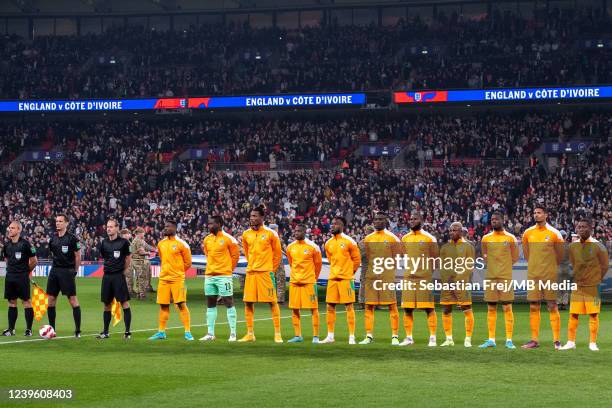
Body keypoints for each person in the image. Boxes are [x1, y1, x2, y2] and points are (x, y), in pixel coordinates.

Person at [560, 218, 609, 351]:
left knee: (593, 314)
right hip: (577, 286)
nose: (581, 229)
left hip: (592, 287)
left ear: (590, 229)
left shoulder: (598, 246)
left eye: (584, 227)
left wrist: (596, 279)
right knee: (573, 314)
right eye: (579, 227)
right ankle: (571, 342)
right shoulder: (572, 246)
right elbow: (571, 263)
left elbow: (604, 266)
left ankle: (592, 343)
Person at [521, 205, 565, 349]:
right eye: (534, 212)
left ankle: (557, 340)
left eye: (539, 212)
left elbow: (560, 255)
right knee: (534, 306)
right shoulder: (527, 233)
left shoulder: (555, 233)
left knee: (552, 305)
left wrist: (550, 268)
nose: (536, 215)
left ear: (546, 215)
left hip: (550, 275)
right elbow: (527, 254)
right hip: (533, 275)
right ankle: (534, 340)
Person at [238, 206, 283, 343]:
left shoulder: (271, 234)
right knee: (248, 302)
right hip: (251, 273)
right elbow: (246, 252)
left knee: (272, 302)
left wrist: (271, 270)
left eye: (255, 216)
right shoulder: (246, 234)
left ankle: (277, 333)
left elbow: (277, 254)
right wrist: (252, 264)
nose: (252, 218)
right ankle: (250, 333)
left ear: (262, 218)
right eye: (251, 216)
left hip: (265, 273)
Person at [479, 211, 519, 349]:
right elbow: (484, 255)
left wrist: (503, 267)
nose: (493, 221)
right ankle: (491, 339)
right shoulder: (486, 238)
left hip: (505, 277)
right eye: (492, 219)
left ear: (503, 220)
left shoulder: (510, 238)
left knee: (507, 307)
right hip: (490, 277)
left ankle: (509, 340)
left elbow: (515, 257)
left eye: (496, 219)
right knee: (491, 308)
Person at [148, 220, 194, 341]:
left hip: (177, 279)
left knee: (181, 304)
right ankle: (161, 332)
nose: (165, 228)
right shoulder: (161, 244)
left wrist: (178, 272)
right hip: (163, 279)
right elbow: (163, 259)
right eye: (165, 226)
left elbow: (188, 263)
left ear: (174, 228)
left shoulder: (182, 244)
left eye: (168, 226)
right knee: (163, 305)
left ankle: (188, 332)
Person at [360, 212, 400, 345]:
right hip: (371, 277)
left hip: (386, 278)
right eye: (375, 219)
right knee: (369, 306)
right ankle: (369, 335)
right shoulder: (368, 239)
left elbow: (397, 257)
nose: (377, 222)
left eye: (380, 219)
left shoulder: (392, 238)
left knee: (391, 306)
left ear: (385, 221)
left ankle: (395, 336)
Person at [320, 216, 361, 344]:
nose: (332, 226)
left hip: (346, 279)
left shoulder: (350, 241)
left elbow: (357, 260)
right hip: (333, 279)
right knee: (330, 306)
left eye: (335, 224)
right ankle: (330, 336)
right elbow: (331, 260)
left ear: (342, 226)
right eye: (332, 224)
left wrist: (349, 272)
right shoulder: (328, 243)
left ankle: (352, 337)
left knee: (349, 307)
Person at [400, 211, 438, 347]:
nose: (412, 221)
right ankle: (409, 338)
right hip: (409, 279)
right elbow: (405, 255)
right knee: (407, 309)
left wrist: (426, 273)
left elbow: (435, 259)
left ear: (421, 221)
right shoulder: (405, 238)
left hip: (424, 279)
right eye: (410, 218)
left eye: (415, 219)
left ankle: (432, 338)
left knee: (428, 308)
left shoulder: (429, 238)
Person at [200, 215, 239, 342]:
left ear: (219, 224)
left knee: (228, 302)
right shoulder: (207, 239)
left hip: (224, 276)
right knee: (210, 304)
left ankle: (233, 333)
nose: (209, 226)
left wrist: (227, 270)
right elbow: (207, 254)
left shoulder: (229, 239)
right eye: (209, 223)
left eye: (211, 224)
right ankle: (210, 333)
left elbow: (235, 257)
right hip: (210, 276)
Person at [439, 222, 476, 348]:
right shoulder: (445, 247)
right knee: (446, 309)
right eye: (450, 230)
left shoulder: (468, 246)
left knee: (467, 309)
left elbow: (470, 267)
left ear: (461, 232)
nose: (452, 232)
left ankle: (468, 339)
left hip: (461, 283)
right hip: (448, 283)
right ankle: (449, 339)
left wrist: (459, 280)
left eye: (455, 230)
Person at [46, 214, 82, 337]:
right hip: (55, 271)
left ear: (66, 223)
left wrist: (75, 271)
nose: (58, 223)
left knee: (72, 300)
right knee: (50, 300)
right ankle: (52, 330)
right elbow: (52, 254)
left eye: (60, 221)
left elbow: (78, 256)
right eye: (56, 221)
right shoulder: (53, 239)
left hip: (67, 271)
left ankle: (77, 330)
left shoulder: (72, 239)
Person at [96, 219, 132, 339]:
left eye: (111, 227)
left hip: (118, 276)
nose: (108, 229)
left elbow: (128, 258)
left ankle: (127, 332)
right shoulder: (104, 243)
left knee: (124, 303)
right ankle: (105, 332)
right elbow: (105, 257)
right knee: (107, 304)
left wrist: (122, 270)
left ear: (117, 228)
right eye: (107, 227)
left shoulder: (124, 243)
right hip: (107, 276)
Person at [286, 223, 322, 343]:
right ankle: (298, 336)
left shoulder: (313, 247)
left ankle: (316, 336)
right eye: (295, 231)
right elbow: (292, 263)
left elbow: (318, 265)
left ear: (304, 232)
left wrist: (313, 278)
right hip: (295, 282)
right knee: (295, 309)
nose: (296, 233)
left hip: (309, 282)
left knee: (313, 309)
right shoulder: (290, 247)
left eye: (299, 231)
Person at [2, 221, 37, 336]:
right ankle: (11, 329)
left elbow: (34, 261)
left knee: (26, 302)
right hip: (10, 277)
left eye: (12, 228)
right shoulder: (7, 245)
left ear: (18, 230)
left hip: (22, 277)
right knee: (12, 302)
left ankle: (29, 329)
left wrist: (25, 272)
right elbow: (7, 259)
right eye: (9, 228)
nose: (10, 230)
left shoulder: (26, 244)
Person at [130, 227, 156, 299]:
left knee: (139, 278)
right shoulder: (139, 241)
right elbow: (141, 252)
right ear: (139, 233)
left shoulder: (139, 240)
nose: (144, 234)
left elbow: (147, 246)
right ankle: (142, 294)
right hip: (138, 261)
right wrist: (148, 253)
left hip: (136, 261)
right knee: (142, 278)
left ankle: (139, 293)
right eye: (143, 233)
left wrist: (155, 250)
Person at [357, 225, 375, 309]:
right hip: (366, 266)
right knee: (364, 284)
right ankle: (362, 302)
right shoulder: (362, 243)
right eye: (369, 232)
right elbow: (361, 255)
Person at [269, 224, 287, 305]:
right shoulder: (278, 238)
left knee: (270, 279)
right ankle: (279, 299)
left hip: (268, 261)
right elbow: (286, 250)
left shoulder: (266, 237)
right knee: (280, 278)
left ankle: (270, 297)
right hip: (277, 260)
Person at [120, 229, 136, 297]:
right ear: (124, 235)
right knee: (128, 278)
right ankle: (128, 292)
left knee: (128, 277)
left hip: (126, 261)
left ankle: (128, 291)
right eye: (127, 234)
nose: (129, 235)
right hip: (126, 262)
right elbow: (128, 253)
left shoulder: (123, 241)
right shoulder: (125, 242)